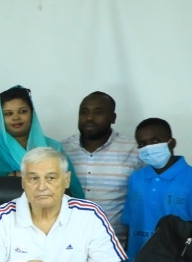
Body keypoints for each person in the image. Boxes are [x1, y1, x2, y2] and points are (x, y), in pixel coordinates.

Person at [0, 147, 124, 262]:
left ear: (66, 180)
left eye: (51, 178)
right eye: (33, 178)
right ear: (22, 182)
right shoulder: (3, 215)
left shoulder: (90, 214)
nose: (42, 187)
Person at [0, 85, 84, 197]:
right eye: (8, 114)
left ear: (32, 113)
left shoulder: (53, 148)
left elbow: (73, 191)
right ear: (1, 119)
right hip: (1, 215)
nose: (16, 117)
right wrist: (7, 182)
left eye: (22, 111)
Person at [60, 91, 140, 246]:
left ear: (113, 117)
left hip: (115, 245)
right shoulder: (62, 149)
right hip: (68, 244)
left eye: (98, 112)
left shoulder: (133, 150)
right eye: (84, 112)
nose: (89, 118)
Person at [123, 118, 192, 262]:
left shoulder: (189, 179)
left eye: (155, 141)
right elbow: (130, 224)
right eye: (142, 144)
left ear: (171, 143)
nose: (148, 148)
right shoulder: (136, 178)